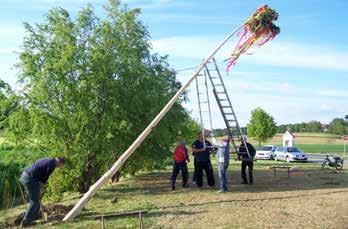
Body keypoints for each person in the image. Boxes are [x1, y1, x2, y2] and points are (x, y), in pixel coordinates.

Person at [19, 157, 65, 227]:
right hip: (30, 179)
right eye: (61, 166)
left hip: (24, 176)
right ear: (59, 162)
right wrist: (41, 189)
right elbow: (44, 179)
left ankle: (31, 219)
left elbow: (41, 174)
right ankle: (25, 221)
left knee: (35, 200)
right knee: (35, 202)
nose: (59, 167)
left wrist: (39, 190)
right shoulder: (52, 165)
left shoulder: (47, 159)